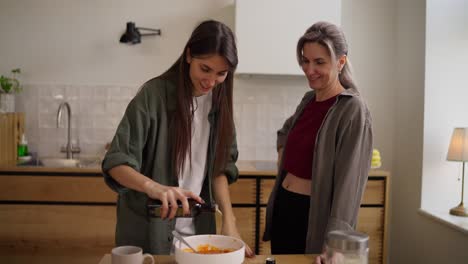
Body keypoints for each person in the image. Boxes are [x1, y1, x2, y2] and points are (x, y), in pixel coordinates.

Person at [102, 19, 254, 257]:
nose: (211, 82)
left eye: (221, 74)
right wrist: (155, 188)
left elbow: (219, 169)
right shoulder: (153, 97)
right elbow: (116, 163)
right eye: (205, 69)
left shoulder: (219, 104)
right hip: (147, 232)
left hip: (198, 234)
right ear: (189, 55)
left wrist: (230, 221)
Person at [262, 21, 373, 262]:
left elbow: (349, 186)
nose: (309, 69)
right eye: (305, 60)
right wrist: (284, 156)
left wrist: (336, 244)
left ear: (340, 62)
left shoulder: (352, 109)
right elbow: (284, 133)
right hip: (284, 208)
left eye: (319, 62)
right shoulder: (309, 100)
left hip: (312, 218)